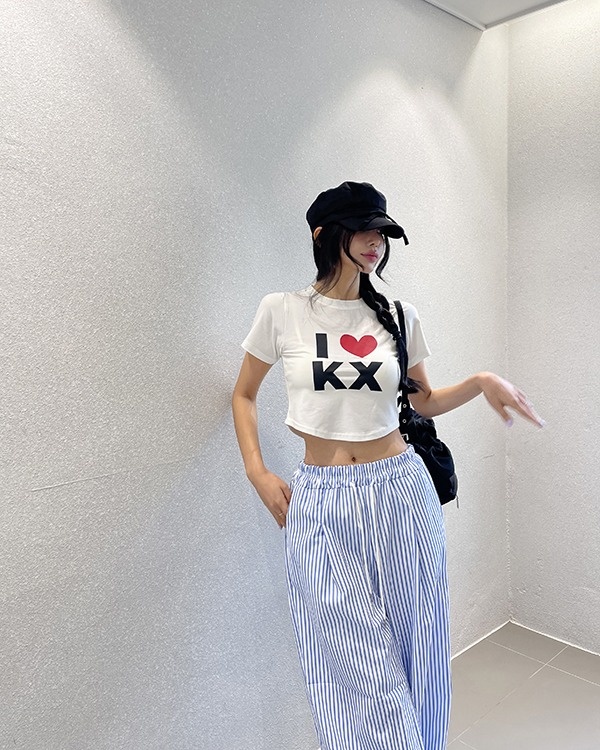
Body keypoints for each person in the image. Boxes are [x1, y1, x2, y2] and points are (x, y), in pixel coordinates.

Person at [231, 181, 545, 750]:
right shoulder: (281, 311)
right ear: (322, 235)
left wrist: (481, 382)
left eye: (382, 232)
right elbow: (244, 394)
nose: (375, 242)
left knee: (418, 646)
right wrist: (258, 471)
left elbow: (423, 402)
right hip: (321, 499)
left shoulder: (399, 315)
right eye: (363, 230)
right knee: (347, 656)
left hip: (401, 490)